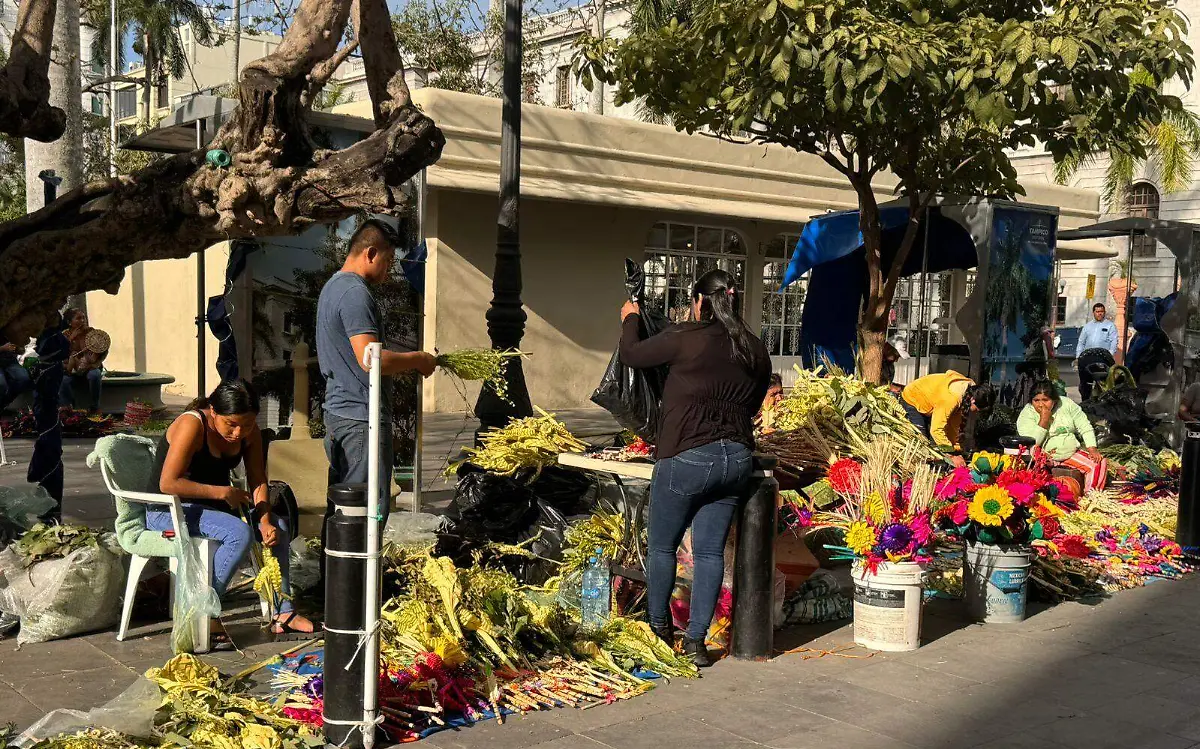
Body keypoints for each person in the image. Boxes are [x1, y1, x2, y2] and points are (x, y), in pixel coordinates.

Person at [618, 269, 771, 667]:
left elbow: (633, 355)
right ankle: (697, 644)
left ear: (700, 301)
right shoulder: (754, 348)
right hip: (736, 460)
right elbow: (753, 406)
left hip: (686, 456)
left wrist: (629, 318)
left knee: (663, 546)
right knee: (708, 553)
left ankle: (658, 630)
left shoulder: (687, 337)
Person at [146, 380, 316, 640]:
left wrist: (265, 519)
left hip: (214, 509)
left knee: (279, 528)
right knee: (239, 533)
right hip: (167, 510)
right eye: (232, 424)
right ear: (213, 411)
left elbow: (258, 478)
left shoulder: (250, 433)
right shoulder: (192, 424)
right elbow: (168, 483)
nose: (239, 432)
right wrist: (222, 492)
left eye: (246, 425)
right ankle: (203, 612)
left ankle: (283, 610)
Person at [316, 219, 437, 575]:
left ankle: (336, 589)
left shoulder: (332, 288)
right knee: (366, 508)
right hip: (359, 417)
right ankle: (353, 592)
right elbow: (371, 358)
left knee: (344, 507)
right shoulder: (354, 293)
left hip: (341, 415)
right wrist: (418, 359)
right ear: (370, 253)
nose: (388, 271)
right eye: (387, 260)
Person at [1017, 380, 1107, 492]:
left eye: (1045, 400)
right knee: (1033, 450)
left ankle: (1091, 496)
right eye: (1036, 400)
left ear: (1054, 400)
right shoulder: (1027, 413)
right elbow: (1032, 441)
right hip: (1043, 455)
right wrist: (1044, 420)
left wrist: (1092, 448)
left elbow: (1084, 425)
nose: (1041, 404)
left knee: (1099, 463)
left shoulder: (1067, 404)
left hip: (1068, 452)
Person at [900, 371, 996, 467]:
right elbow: (936, 430)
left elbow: (954, 423)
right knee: (922, 443)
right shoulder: (951, 398)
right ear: (973, 400)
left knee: (938, 442)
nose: (976, 412)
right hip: (913, 398)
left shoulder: (969, 392)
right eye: (978, 409)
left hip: (930, 400)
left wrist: (956, 449)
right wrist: (952, 456)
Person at [58, 308, 106, 414]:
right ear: (69, 322)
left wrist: (95, 364)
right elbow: (61, 353)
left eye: (83, 318)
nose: (82, 321)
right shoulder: (64, 335)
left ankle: (95, 407)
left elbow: (102, 351)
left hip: (90, 366)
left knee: (95, 375)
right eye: (78, 318)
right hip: (71, 368)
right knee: (63, 380)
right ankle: (68, 408)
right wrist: (72, 338)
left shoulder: (92, 332)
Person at [1075, 303, 1118, 401]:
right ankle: (1085, 401)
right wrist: (1078, 357)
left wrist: (1110, 355)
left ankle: (1103, 401)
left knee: (1104, 384)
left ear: (1104, 313)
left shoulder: (1110, 326)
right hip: (1087, 358)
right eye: (1097, 312)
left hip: (1102, 359)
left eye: (1101, 312)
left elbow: (1114, 341)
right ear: (1093, 313)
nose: (1099, 314)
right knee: (1085, 383)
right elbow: (1081, 342)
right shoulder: (1087, 326)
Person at [0, 334, 32, 411]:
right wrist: (3, 348)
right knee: (1, 384)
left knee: (24, 378)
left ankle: (4, 404)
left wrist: (18, 348)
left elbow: (21, 350)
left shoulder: (9, 327)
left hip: (10, 361)